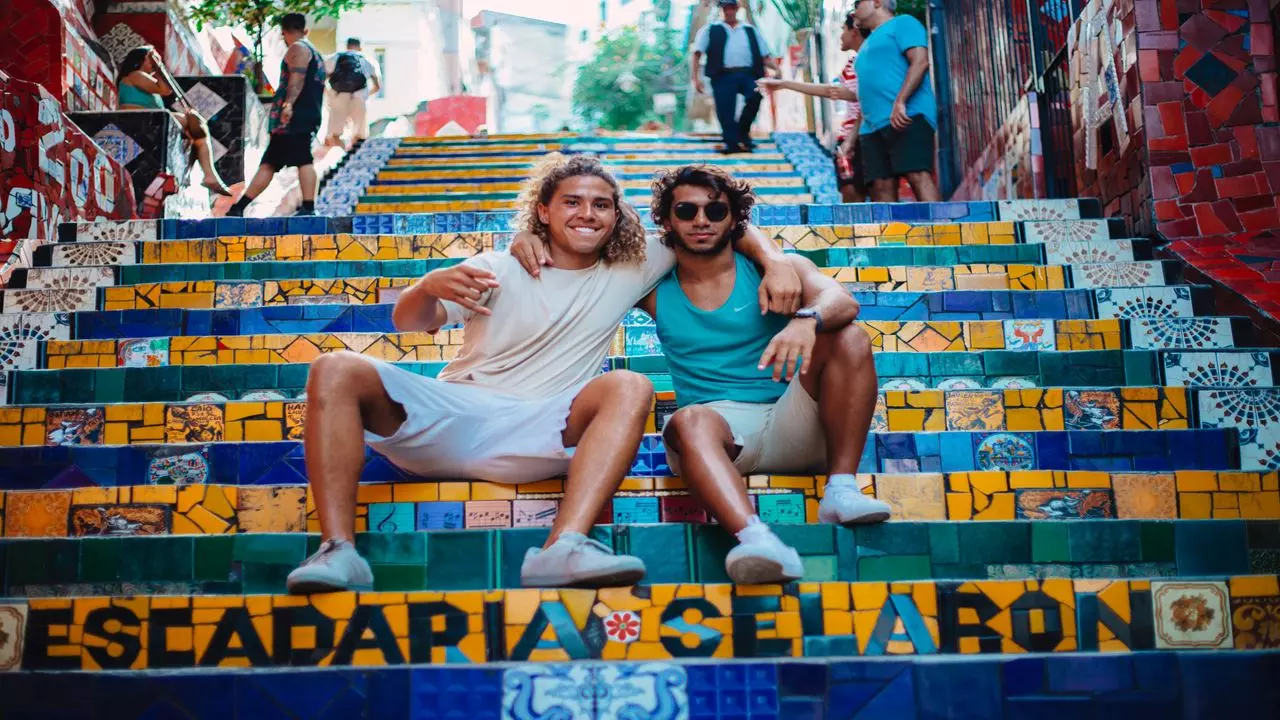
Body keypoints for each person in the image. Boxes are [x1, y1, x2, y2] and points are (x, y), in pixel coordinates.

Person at [286, 153, 800, 594]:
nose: (587, 213)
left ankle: (565, 547)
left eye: (602, 204)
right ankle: (337, 551)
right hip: (457, 412)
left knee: (630, 384)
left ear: (616, 216)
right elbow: (409, 322)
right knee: (335, 367)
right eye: (572, 202)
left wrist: (775, 261)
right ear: (543, 211)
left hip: (542, 430)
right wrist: (426, 286)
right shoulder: (498, 266)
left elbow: (722, 221)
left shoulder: (634, 265)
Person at [510, 165, 889, 586]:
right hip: (713, 435)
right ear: (667, 220)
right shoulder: (651, 286)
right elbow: (579, 256)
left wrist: (806, 318)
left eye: (716, 211)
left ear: (735, 218)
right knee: (686, 419)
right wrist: (529, 237)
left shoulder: (778, 269)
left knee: (849, 337)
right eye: (686, 211)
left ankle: (841, 489)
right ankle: (757, 542)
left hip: (794, 417)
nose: (702, 220)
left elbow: (842, 300)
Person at [757, 12, 868, 202]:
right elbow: (832, 91)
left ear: (854, 32)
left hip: (861, 136)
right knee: (850, 195)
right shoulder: (852, 63)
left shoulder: (868, 62)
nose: (841, 36)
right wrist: (784, 84)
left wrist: (851, 138)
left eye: (843, 30)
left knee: (862, 194)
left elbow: (861, 99)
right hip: (849, 136)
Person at [226, 13, 326, 217]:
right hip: (305, 114)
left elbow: (296, 80)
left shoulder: (298, 48)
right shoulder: (316, 54)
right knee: (270, 162)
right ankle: (238, 208)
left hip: (294, 117)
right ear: (306, 30)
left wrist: (288, 105)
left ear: (284, 32)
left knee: (303, 160)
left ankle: (309, 208)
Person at [851, 0, 940, 202]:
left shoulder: (903, 23)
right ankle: (891, 227)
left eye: (857, 4)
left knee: (917, 175)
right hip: (872, 127)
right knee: (880, 187)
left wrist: (900, 101)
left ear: (876, 2)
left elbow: (920, 61)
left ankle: (940, 223)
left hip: (908, 114)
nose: (854, 11)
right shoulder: (867, 43)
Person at [116, 46, 232, 196]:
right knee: (194, 120)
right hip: (140, 120)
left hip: (152, 120)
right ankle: (210, 174)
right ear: (142, 59)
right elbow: (165, 89)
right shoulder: (135, 75)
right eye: (151, 59)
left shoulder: (145, 80)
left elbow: (165, 88)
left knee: (196, 126)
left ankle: (208, 175)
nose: (155, 62)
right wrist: (159, 67)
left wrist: (159, 68)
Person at [690, 1, 779, 154]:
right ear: (721, 10)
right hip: (722, 75)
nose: (728, 11)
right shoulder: (710, 30)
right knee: (725, 109)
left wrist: (776, 70)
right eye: (725, 8)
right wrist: (696, 79)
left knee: (755, 95)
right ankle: (731, 143)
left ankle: (742, 132)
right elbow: (697, 53)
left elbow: (764, 55)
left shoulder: (750, 30)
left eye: (731, 8)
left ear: (737, 9)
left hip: (748, 73)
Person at [324, 37, 382, 148]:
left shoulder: (334, 58)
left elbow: (322, 80)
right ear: (360, 47)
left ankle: (343, 153)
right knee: (359, 136)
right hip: (359, 97)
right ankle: (355, 156)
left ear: (347, 46)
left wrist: (330, 96)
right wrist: (365, 95)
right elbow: (377, 86)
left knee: (336, 135)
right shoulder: (368, 60)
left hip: (338, 97)